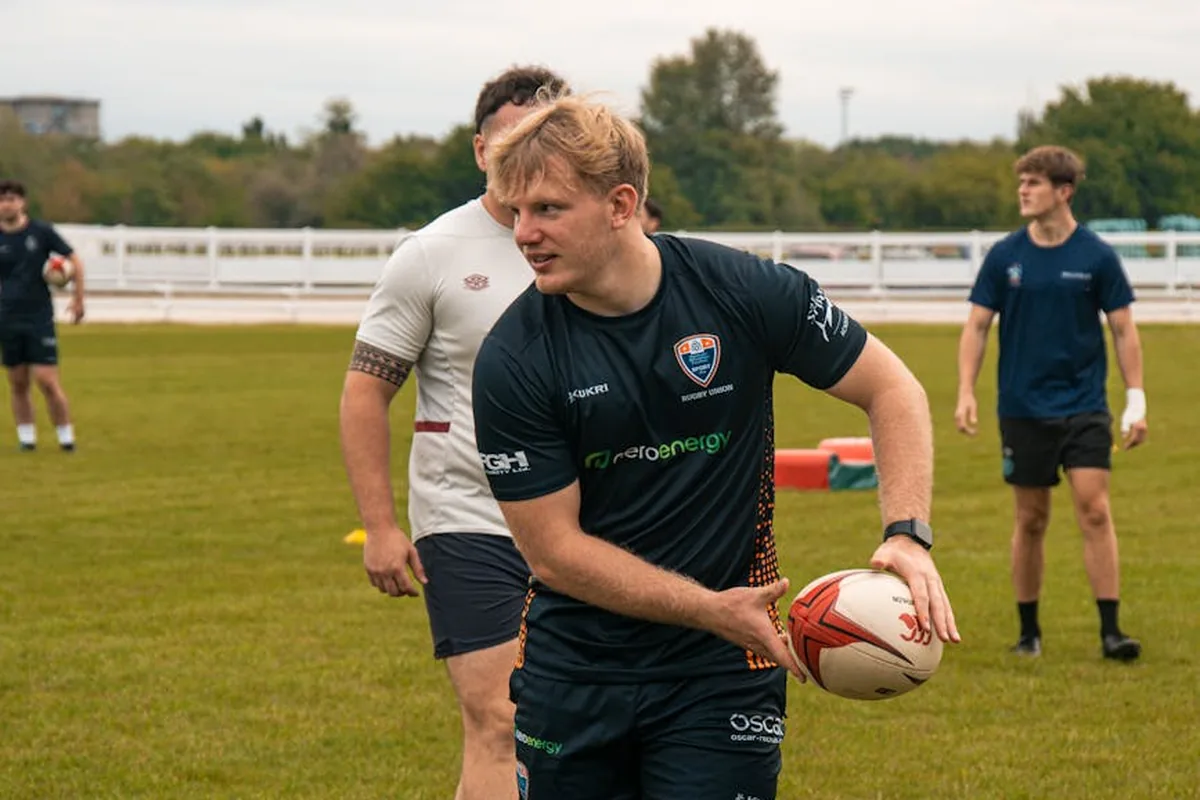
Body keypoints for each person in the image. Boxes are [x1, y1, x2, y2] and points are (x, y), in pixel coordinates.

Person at [471, 92, 960, 800]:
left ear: (620, 204)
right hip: (577, 672)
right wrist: (710, 607)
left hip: (725, 668)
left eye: (547, 209)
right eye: (515, 212)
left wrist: (907, 533)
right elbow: (554, 553)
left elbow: (893, 390)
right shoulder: (515, 358)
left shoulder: (741, 290)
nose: (524, 233)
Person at [338, 66, 569, 800]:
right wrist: (379, 525)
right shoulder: (432, 254)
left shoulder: (595, 247)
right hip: (469, 521)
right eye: (512, 140)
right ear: (479, 150)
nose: (530, 156)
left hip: (586, 524)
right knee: (501, 719)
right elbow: (364, 392)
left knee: (573, 725)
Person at [955, 144, 1146, 662]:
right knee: (1032, 518)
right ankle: (1028, 633)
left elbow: (1124, 330)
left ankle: (1111, 631)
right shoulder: (1005, 256)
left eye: (1034, 182)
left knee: (1095, 509)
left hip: (1084, 405)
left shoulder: (1097, 256)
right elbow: (976, 325)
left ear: (1063, 191)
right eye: (1022, 182)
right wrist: (966, 391)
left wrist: (1136, 399)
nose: (1023, 190)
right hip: (1022, 406)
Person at [0, 179, 85, 452]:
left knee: (47, 381)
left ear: (22, 203)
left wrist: (78, 298)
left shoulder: (41, 232)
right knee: (17, 382)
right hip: (6, 318)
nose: (6, 204)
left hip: (38, 317)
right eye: (2, 200)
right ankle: (27, 440)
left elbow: (75, 261)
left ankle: (66, 439)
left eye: (11, 199)